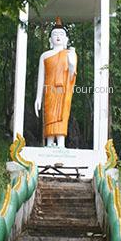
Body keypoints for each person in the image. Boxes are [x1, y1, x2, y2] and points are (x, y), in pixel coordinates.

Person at [34, 17, 77, 148]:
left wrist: (71, 63)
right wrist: (38, 98)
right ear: (50, 40)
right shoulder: (45, 55)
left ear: (66, 39)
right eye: (54, 34)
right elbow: (41, 78)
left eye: (61, 34)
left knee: (62, 115)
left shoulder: (70, 53)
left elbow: (72, 74)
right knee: (50, 115)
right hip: (49, 91)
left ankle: (61, 144)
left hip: (63, 90)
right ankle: (49, 143)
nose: (58, 37)